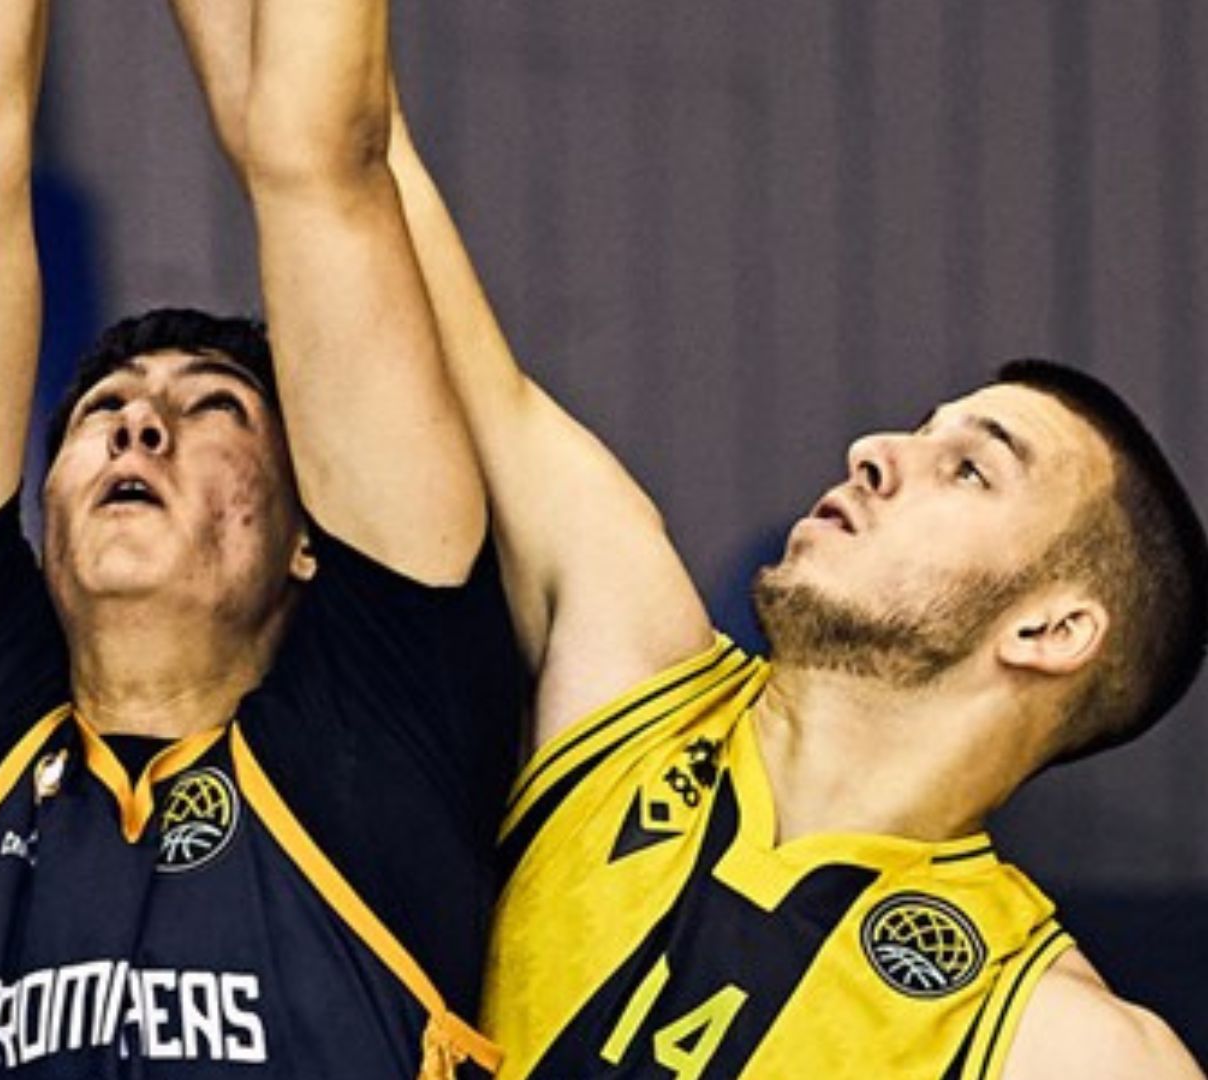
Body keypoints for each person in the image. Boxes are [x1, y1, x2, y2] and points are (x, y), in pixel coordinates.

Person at [368, 62, 1208, 1080]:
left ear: (1052, 630)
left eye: (969, 469)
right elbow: (349, 170)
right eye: (919, 433)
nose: (874, 451)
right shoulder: (635, 684)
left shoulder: (1065, 1046)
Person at [0, 0, 521, 1072]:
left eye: (212, 408)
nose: (138, 426)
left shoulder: (382, 738)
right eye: (103, 410)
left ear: (308, 536)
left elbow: (324, 170)